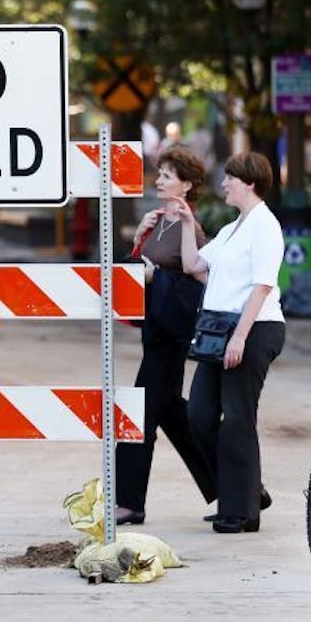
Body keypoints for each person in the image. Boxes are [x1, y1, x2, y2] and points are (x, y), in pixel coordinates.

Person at [170, 151, 285, 534]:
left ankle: (241, 511)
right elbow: (194, 266)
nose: (224, 184)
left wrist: (240, 337)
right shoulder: (233, 228)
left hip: (253, 329)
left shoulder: (265, 226)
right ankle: (248, 491)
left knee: (237, 418)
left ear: (248, 183)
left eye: (230, 178)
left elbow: (262, 285)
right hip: (219, 332)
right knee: (199, 415)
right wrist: (187, 221)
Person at [115, 147, 216, 526]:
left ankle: (129, 502)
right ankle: (242, 488)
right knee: (176, 415)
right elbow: (137, 273)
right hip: (154, 332)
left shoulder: (193, 228)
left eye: (167, 176)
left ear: (187, 185)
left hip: (172, 336)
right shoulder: (158, 220)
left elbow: (200, 282)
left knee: (139, 415)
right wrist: (139, 241)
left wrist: (156, 275)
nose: (158, 181)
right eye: (159, 174)